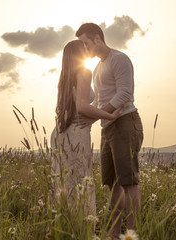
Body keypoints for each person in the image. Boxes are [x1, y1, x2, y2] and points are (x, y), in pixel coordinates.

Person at [76, 23, 144, 238]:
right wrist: (93, 117)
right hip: (108, 127)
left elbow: (124, 94)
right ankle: (113, 234)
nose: (84, 48)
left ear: (97, 38)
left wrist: (97, 115)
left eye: (86, 43)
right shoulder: (97, 68)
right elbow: (99, 101)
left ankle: (132, 233)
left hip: (125, 122)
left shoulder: (119, 59)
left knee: (129, 181)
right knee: (112, 183)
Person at [50, 40, 122, 216]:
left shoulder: (64, 77)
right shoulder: (84, 72)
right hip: (76, 131)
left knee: (64, 179)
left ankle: (63, 221)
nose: (88, 50)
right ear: (78, 54)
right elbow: (81, 106)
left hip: (60, 132)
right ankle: (81, 223)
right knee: (81, 178)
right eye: (84, 48)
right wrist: (109, 115)